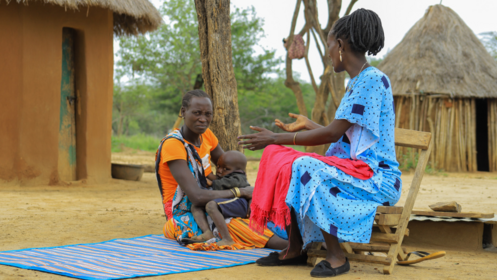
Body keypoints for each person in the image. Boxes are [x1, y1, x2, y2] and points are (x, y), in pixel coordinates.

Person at [238, 9, 401, 277]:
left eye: (328, 44)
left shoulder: (371, 80)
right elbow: (344, 135)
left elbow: (331, 134)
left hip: (376, 177)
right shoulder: (359, 81)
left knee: (304, 164)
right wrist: (305, 125)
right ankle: (295, 247)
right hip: (354, 169)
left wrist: (274, 136)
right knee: (280, 157)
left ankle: (337, 257)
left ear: (340, 45)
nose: (326, 51)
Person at [155, 89, 287, 251]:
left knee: (265, 216)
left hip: (213, 203)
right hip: (186, 213)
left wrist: (248, 197)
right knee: (243, 228)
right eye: (197, 113)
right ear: (183, 112)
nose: (203, 119)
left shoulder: (206, 135)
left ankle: (309, 240)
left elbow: (230, 169)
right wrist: (240, 192)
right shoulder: (173, 145)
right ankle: (300, 247)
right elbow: (196, 197)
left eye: (207, 114)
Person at [190, 151, 252, 247]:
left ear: (239, 170)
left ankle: (227, 239)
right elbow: (215, 178)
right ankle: (207, 232)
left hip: (240, 203)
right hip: (227, 202)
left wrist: (212, 183)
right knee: (196, 206)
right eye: (218, 167)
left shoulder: (239, 177)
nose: (219, 170)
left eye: (225, 169)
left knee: (211, 206)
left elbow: (230, 183)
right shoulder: (224, 176)